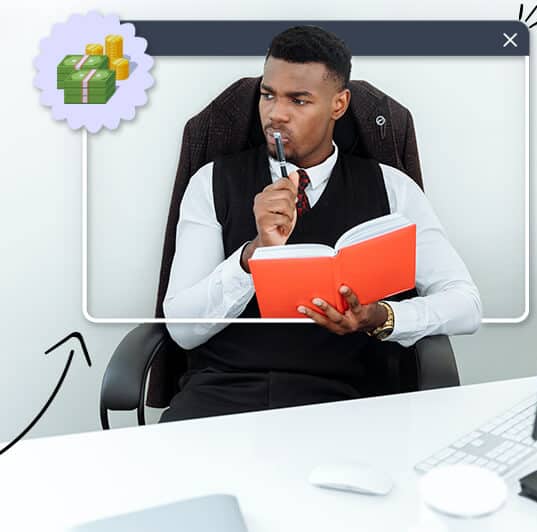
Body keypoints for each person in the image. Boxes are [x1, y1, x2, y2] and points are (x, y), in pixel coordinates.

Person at [160, 25, 481, 422]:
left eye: (299, 100)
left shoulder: (393, 189)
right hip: (222, 396)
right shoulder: (210, 182)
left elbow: (466, 304)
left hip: (346, 403)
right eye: (267, 95)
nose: (276, 113)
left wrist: (382, 317)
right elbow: (181, 329)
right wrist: (253, 256)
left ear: (339, 104)